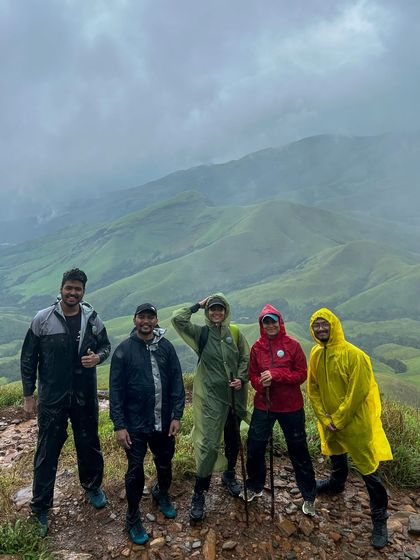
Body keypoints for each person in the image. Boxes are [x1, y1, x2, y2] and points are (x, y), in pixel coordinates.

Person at [20, 268, 111, 537]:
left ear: (83, 292)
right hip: (52, 397)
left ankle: (92, 487)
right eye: (68, 288)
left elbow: (106, 346)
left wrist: (98, 359)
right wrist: (28, 395)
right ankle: (40, 507)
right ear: (61, 288)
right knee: (47, 450)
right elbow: (28, 358)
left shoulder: (92, 319)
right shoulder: (43, 319)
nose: (72, 293)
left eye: (77, 289)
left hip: (84, 394)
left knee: (89, 442)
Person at [308, 308, 393, 549]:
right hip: (330, 422)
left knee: (368, 469)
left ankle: (379, 517)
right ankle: (337, 483)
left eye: (325, 325)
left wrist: (338, 419)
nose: (321, 329)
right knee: (336, 454)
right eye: (317, 326)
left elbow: (357, 393)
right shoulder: (315, 353)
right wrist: (325, 419)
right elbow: (312, 387)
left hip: (355, 423)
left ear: (334, 325)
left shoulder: (355, 355)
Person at [110, 303, 185, 545]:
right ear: (135, 320)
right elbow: (116, 391)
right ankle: (132, 517)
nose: (146, 321)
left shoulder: (166, 348)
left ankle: (161, 494)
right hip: (135, 425)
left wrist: (176, 415)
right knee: (135, 471)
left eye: (150, 317)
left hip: (163, 422)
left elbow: (176, 382)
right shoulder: (124, 350)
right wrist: (119, 425)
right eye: (142, 317)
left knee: (165, 463)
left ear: (156, 320)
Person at [171, 294, 249, 522]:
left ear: (226, 312)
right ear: (208, 311)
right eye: (212, 309)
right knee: (208, 444)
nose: (216, 313)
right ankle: (199, 492)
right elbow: (178, 319)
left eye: (220, 309)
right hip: (211, 399)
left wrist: (242, 378)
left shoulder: (234, 333)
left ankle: (229, 475)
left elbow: (246, 357)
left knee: (233, 439)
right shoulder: (201, 333)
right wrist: (197, 305)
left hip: (234, 397)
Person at [241, 304, 316, 516]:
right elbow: (253, 376)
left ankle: (309, 495)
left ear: (279, 322)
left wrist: (276, 375)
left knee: (298, 449)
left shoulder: (292, 345)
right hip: (264, 405)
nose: (271, 325)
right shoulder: (257, 348)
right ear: (262, 325)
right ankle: (255, 486)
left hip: (291, 406)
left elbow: (302, 374)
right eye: (266, 322)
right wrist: (260, 383)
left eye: (273, 321)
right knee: (255, 445)